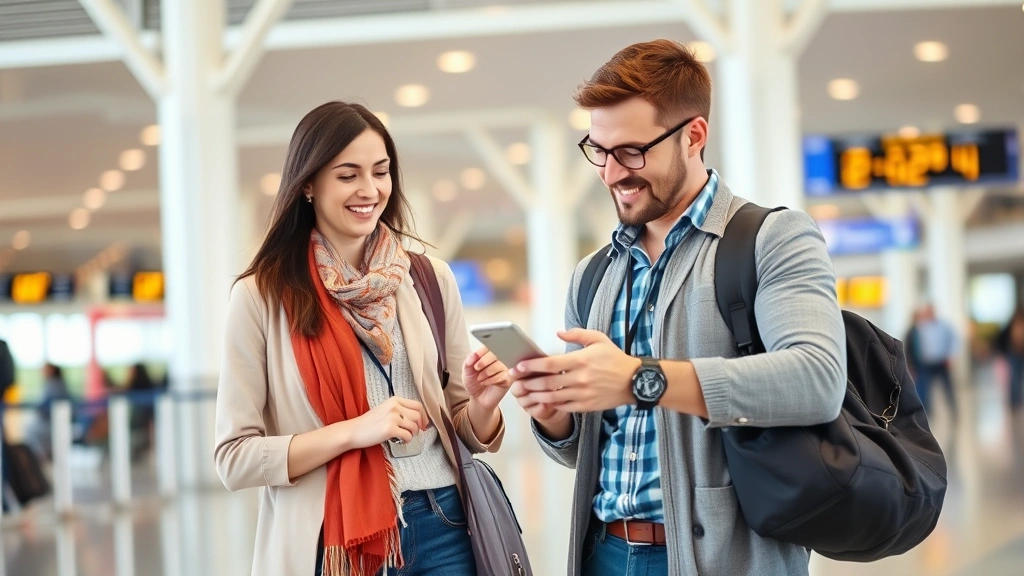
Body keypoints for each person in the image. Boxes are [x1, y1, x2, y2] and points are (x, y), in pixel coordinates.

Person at [509, 40, 846, 576]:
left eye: (632, 151)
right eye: (599, 150)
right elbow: (584, 451)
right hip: (604, 552)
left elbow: (817, 379)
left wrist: (642, 378)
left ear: (694, 136)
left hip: (727, 557)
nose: (612, 173)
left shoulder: (772, 239)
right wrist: (553, 414)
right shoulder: (594, 274)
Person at [214, 101, 511, 576]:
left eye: (380, 171)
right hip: (335, 537)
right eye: (348, 175)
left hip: (444, 523)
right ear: (308, 184)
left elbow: (463, 427)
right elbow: (234, 459)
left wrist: (485, 404)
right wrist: (356, 431)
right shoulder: (262, 296)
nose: (369, 190)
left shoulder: (429, 278)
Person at [905, 303, 958, 418]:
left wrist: (950, 355)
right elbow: (913, 347)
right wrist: (912, 365)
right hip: (926, 364)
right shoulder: (920, 328)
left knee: (947, 389)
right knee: (925, 390)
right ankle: (927, 412)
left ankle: (953, 410)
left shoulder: (944, 326)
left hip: (941, 362)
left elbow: (954, 340)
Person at [995, 308, 1024, 411]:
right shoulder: (1010, 326)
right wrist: (1003, 352)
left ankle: (1017, 400)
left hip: (1019, 354)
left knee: (1017, 378)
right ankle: (1014, 401)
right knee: (1014, 378)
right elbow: (1001, 338)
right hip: (1013, 354)